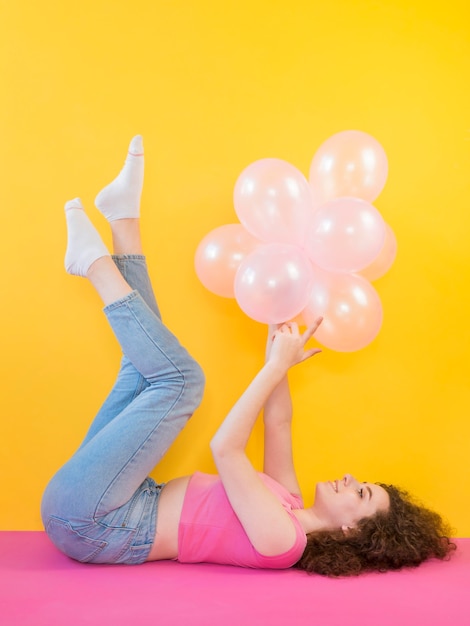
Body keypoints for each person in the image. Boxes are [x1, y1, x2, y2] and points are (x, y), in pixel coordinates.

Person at [41, 136, 455, 576]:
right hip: (110, 496)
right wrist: (278, 339)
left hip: (92, 523)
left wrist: (274, 366)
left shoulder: (283, 543)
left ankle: (95, 266)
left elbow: (226, 449)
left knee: (182, 381)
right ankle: (123, 220)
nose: (352, 480)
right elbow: (278, 422)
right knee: (143, 369)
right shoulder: (288, 503)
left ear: (352, 529)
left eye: (362, 494)